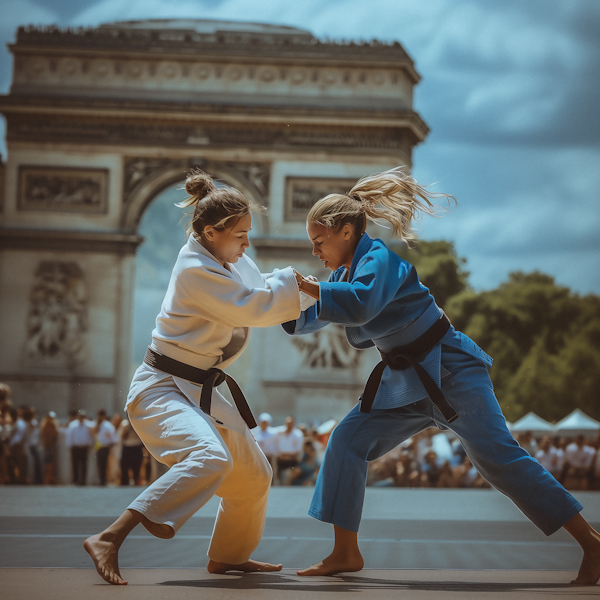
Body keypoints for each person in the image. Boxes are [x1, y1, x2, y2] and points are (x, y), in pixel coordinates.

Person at [284, 166, 600, 585]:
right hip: (405, 384)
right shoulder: (342, 275)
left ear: (345, 231)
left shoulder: (381, 260)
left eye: (318, 242)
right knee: (346, 440)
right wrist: (269, 300)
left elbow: (358, 306)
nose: (315, 253)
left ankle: (593, 543)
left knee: (500, 461)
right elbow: (309, 318)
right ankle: (346, 551)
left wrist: (310, 289)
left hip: (452, 371)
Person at [84, 169, 311, 585]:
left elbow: (260, 287)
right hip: (161, 390)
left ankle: (229, 555)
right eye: (240, 234)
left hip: (196, 388)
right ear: (210, 231)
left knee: (255, 475)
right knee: (210, 457)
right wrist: (299, 289)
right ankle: (109, 536)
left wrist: (302, 286)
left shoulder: (228, 258)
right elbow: (250, 307)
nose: (247, 242)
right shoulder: (194, 268)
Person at [66, 410, 94, 485]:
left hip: (84, 447)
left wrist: (90, 444)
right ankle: (75, 480)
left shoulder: (88, 425)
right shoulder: (72, 425)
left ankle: (83, 481)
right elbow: (69, 436)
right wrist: (69, 445)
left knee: (84, 464)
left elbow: (90, 436)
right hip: (76, 447)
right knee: (75, 464)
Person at [275, 416, 304, 485]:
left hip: (292, 461)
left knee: (292, 475)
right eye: (288, 423)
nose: (289, 425)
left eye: (291, 423)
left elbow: (298, 450)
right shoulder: (279, 432)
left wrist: (286, 455)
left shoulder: (298, 434)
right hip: (281, 460)